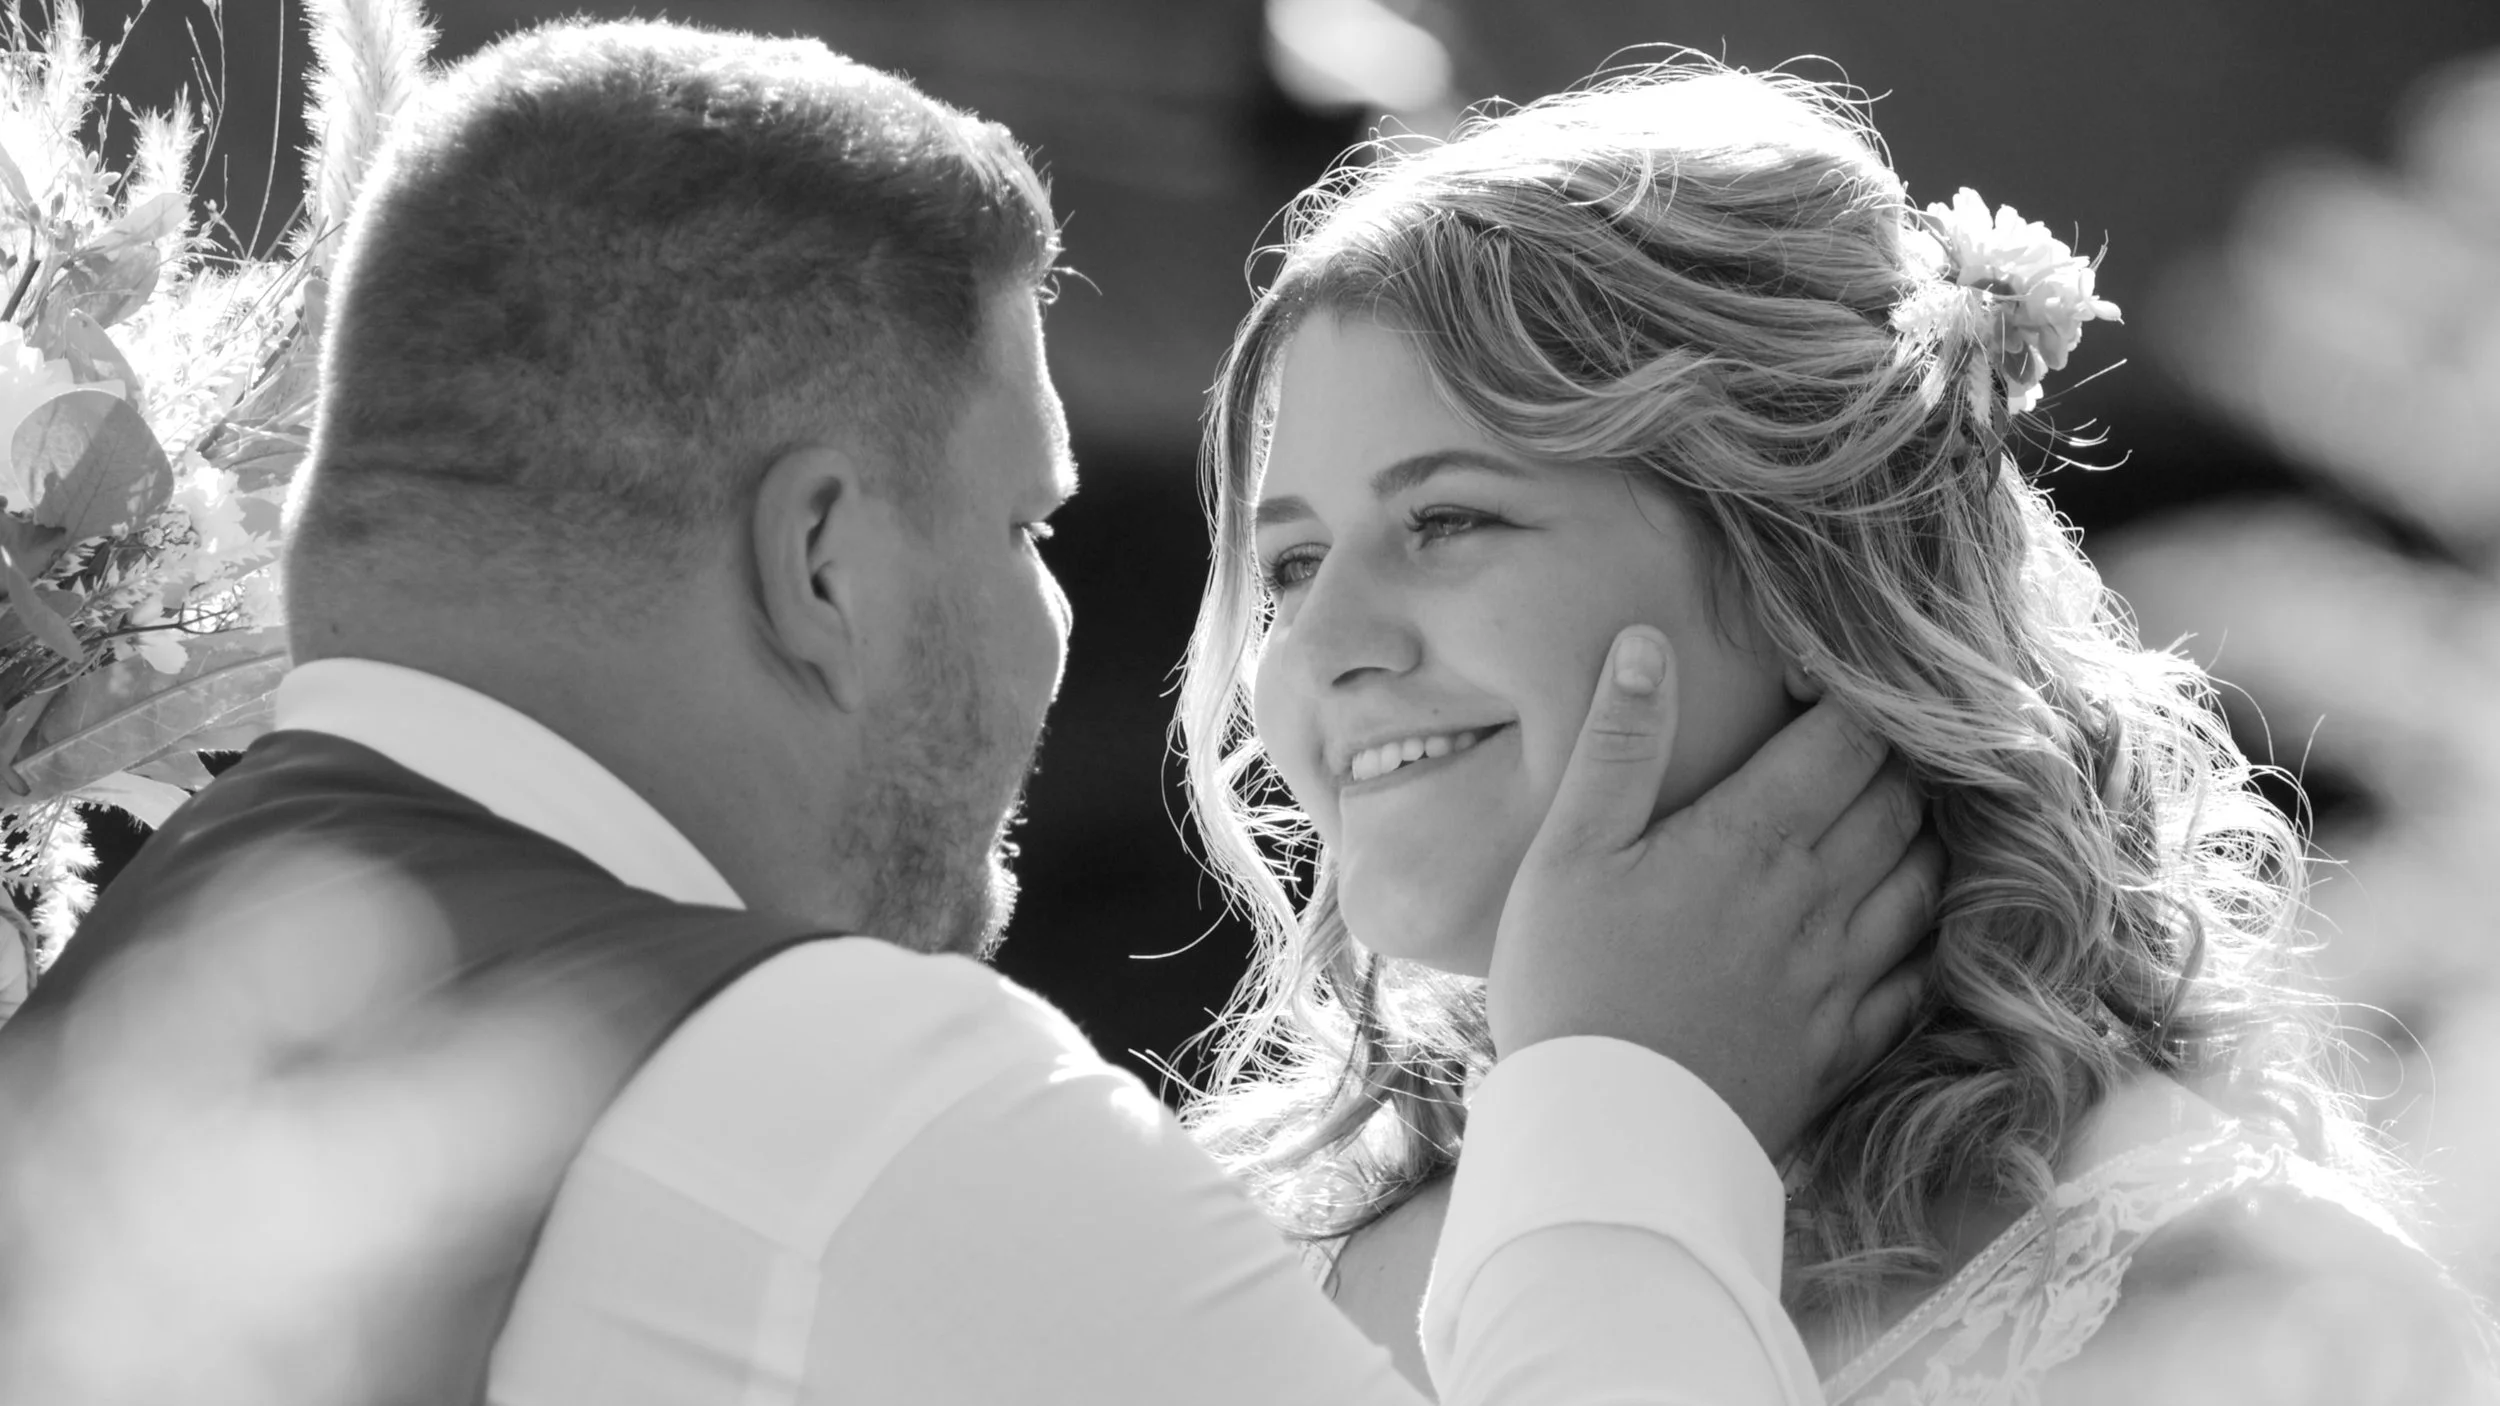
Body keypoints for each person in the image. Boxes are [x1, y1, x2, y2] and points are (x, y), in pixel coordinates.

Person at [0, 25, 1944, 1406]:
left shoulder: (101, 1063)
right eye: (1029, 524)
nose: (1071, 630)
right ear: (823, 560)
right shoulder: (853, 1110)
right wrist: (1625, 1098)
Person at [1178, 60, 2498, 1405]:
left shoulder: (2232, 1301)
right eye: (1287, 567)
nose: (1325, 647)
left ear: (1807, 570)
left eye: (1447, 519)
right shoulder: (1226, 1267)